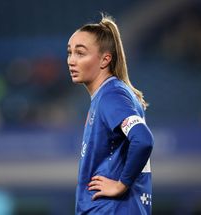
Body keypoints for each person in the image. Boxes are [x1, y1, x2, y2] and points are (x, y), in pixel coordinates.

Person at [67, 13, 154, 215]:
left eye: (80, 53)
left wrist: (120, 184)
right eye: (69, 52)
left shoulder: (111, 95)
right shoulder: (113, 94)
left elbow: (143, 139)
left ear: (105, 59)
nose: (71, 60)